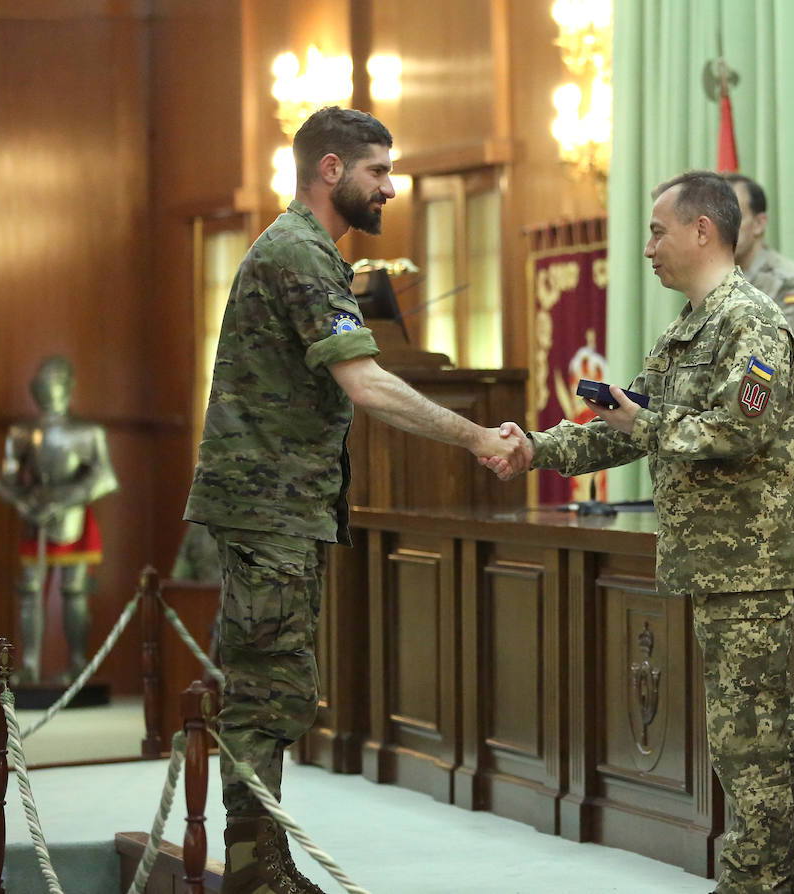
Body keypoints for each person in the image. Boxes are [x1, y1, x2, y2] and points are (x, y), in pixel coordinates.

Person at [183, 106, 525, 894]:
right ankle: (252, 873)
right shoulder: (301, 253)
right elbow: (364, 382)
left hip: (278, 505)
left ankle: (261, 864)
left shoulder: (307, 251)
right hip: (269, 505)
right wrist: (477, 440)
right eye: (378, 171)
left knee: (275, 686)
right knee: (270, 691)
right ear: (330, 170)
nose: (391, 188)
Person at [486, 171, 794, 893]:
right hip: (716, 565)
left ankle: (756, 883)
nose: (646, 247)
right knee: (766, 742)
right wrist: (535, 450)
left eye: (656, 230)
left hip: (750, 564)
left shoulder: (753, 321)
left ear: (702, 230)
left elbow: (738, 429)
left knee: (748, 745)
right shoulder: (689, 328)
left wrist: (641, 420)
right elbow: (628, 429)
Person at [0, 355, 119, 684]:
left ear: (69, 386)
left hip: (72, 515)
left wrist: (66, 499)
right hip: (35, 516)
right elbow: (5, 478)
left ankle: (78, 663)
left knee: (75, 590)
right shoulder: (22, 432)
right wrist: (25, 501)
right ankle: (31, 665)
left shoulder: (89, 431)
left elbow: (105, 477)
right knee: (30, 591)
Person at [725, 173, 794, 499]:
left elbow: (785, 367)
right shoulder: (717, 286)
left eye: (734, 213)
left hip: (780, 456)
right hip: (727, 456)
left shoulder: (789, 282)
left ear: (759, 223)